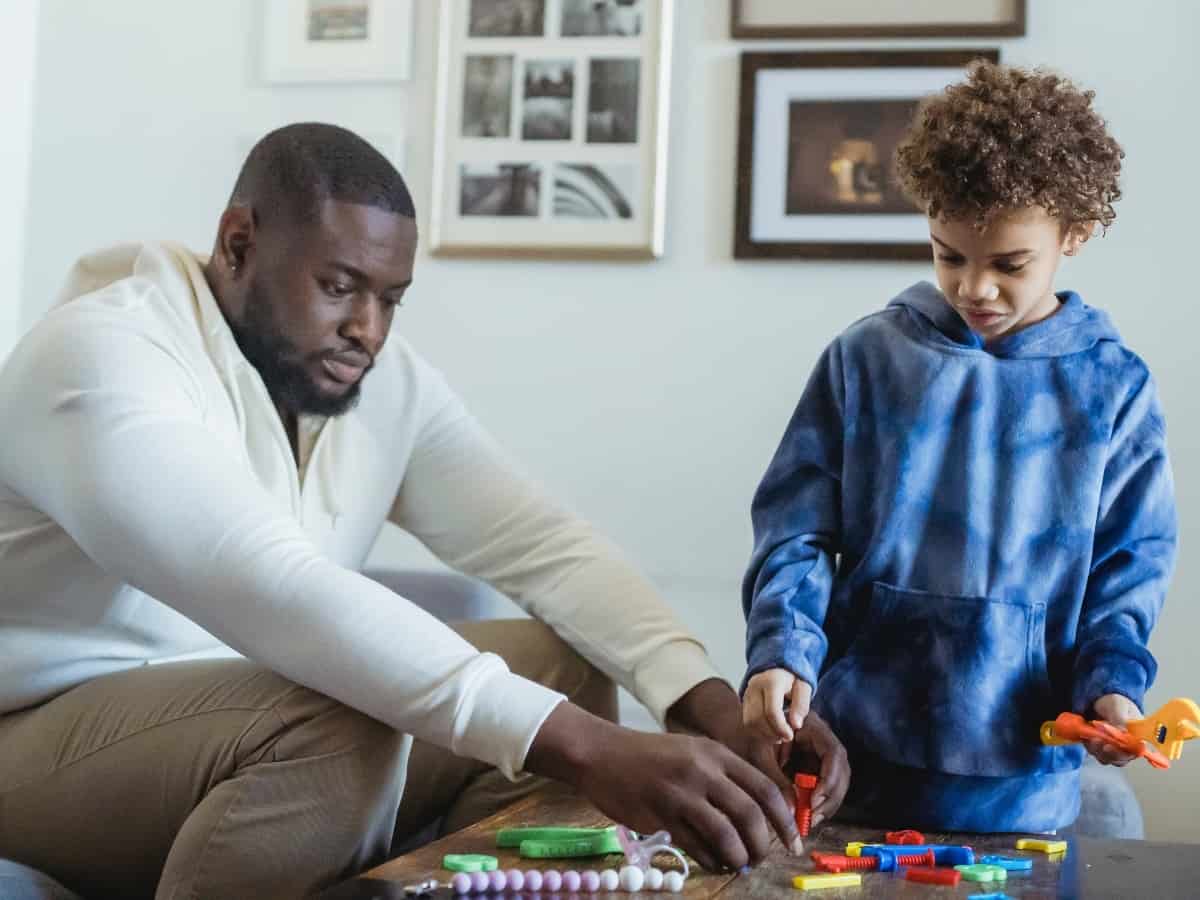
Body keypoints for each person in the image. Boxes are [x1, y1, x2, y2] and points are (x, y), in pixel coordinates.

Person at [0, 123, 843, 899]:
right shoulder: (101, 358)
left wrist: (711, 711)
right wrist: (591, 748)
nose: (366, 328)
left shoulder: (373, 381)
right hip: (33, 729)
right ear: (239, 244)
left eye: (391, 298)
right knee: (344, 723)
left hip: (220, 711)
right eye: (338, 287)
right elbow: (270, 585)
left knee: (560, 664)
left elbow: (548, 548)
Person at [740, 61, 1177, 833]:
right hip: (854, 757)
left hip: (1023, 772)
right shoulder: (868, 358)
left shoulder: (1114, 385)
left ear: (1072, 234)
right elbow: (798, 529)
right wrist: (780, 651)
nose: (975, 288)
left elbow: (1128, 565)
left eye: (1010, 265)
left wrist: (1113, 687)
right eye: (949, 254)